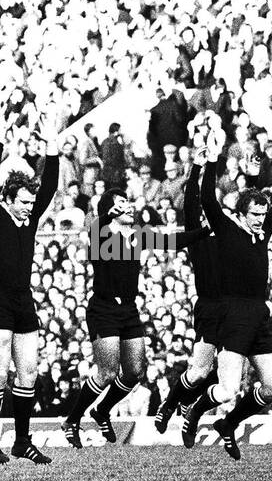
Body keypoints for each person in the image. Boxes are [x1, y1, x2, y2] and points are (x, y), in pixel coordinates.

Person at [182, 138, 272, 460]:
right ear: (242, 213)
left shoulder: (262, 231)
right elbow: (207, 198)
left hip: (258, 315)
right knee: (226, 390)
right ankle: (195, 411)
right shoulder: (226, 228)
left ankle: (228, 424)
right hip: (233, 315)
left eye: (264, 213)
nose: (261, 218)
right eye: (255, 213)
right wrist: (207, 165)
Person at [59, 190, 207, 447]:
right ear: (110, 211)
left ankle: (102, 410)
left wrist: (206, 230)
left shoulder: (138, 236)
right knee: (107, 373)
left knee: (135, 372)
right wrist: (106, 215)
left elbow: (174, 240)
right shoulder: (102, 235)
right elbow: (95, 229)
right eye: (120, 204)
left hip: (128, 309)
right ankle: (72, 419)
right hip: (103, 309)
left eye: (127, 202)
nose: (127, 207)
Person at [0, 125, 60, 465]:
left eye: (30, 202)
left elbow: (50, 186)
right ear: (7, 200)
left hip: (23, 300)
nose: (29, 207)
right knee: (0, 372)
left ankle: (22, 440)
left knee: (29, 371)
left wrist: (51, 143)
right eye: (23, 202)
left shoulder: (30, 218)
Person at [151, 146, 223, 444]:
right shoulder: (198, 235)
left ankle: (191, 408)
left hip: (237, 309)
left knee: (232, 379)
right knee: (199, 371)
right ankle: (170, 404)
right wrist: (198, 166)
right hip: (209, 307)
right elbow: (192, 202)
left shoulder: (232, 235)